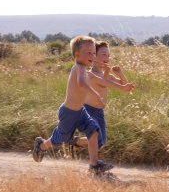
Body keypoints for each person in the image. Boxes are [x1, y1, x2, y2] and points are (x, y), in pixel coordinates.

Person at [33, 35, 133, 175]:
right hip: (69, 112)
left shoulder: (87, 72)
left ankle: (94, 165)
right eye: (89, 53)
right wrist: (96, 94)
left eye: (93, 53)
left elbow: (105, 82)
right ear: (77, 54)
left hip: (80, 111)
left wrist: (121, 85)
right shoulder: (78, 68)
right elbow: (82, 83)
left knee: (94, 131)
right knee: (59, 139)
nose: (92, 55)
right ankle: (41, 145)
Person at [70, 41, 134, 171]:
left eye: (108, 55)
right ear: (93, 56)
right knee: (95, 137)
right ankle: (94, 165)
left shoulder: (106, 74)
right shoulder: (90, 74)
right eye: (103, 54)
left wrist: (120, 73)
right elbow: (102, 84)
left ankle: (75, 141)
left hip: (99, 111)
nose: (107, 58)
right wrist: (106, 73)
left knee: (101, 141)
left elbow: (123, 85)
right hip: (88, 110)